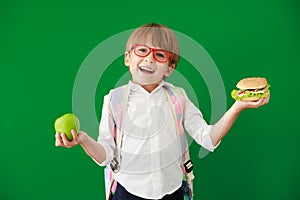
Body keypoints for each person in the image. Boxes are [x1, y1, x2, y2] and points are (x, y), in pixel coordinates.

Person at [55, 23, 270, 200]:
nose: (149, 59)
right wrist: (83, 139)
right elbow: (106, 155)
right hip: (127, 193)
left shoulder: (179, 97)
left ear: (169, 68)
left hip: (173, 192)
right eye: (142, 50)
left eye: (159, 55)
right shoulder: (114, 99)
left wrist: (238, 106)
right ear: (128, 58)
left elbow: (208, 139)